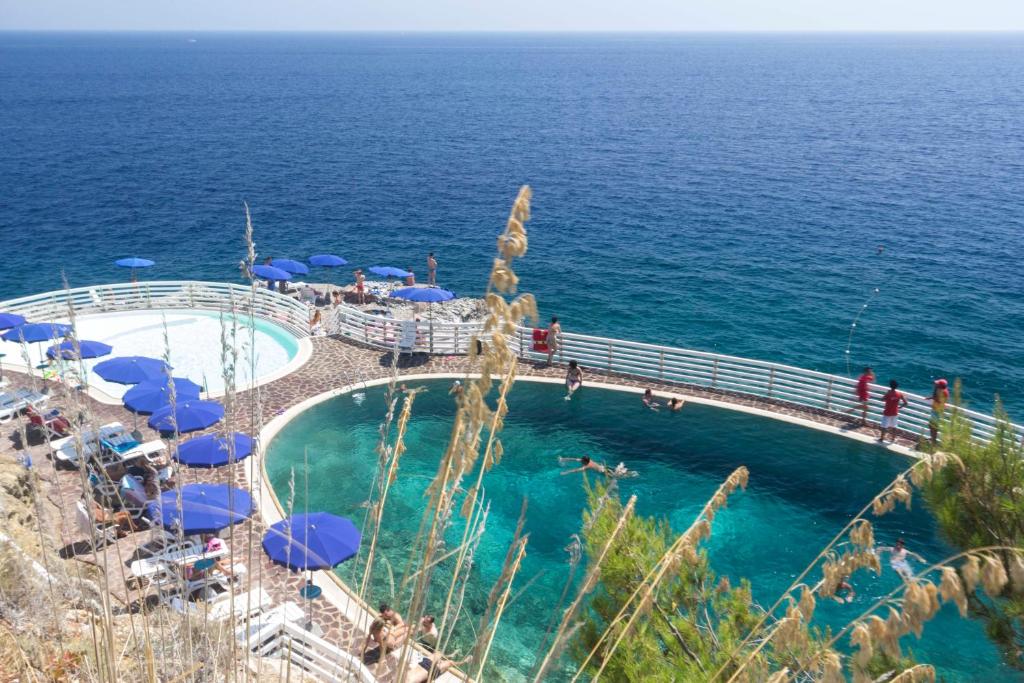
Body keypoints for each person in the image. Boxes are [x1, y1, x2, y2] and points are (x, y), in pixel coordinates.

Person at [559, 456, 636, 479]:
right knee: (616, 471)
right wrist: (563, 459)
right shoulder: (589, 461)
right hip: (603, 467)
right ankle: (629, 472)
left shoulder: (586, 466)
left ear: (585, 461)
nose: (580, 461)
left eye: (582, 461)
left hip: (603, 472)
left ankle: (631, 475)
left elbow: (576, 470)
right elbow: (574, 459)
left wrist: (565, 472)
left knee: (617, 476)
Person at [928, 378, 949, 446]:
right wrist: (931, 397)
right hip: (936, 410)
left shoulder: (943, 392)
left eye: (937, 384)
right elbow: (936, 397)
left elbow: (939, 401)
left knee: (933, 426)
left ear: (940, 386)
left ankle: (933, 441)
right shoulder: (941, 390)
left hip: (937, 411)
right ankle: (933, 439)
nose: (935, 385)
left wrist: (933, 397)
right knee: (932, 426)